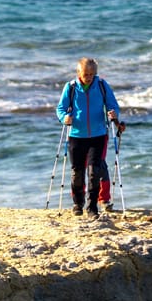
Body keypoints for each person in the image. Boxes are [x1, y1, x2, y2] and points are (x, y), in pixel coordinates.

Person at [56, 57, 124, 217]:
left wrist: (114, 113)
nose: (88, 77)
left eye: (92, 74)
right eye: (86, 74)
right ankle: (77, 204)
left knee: (94, 171)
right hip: (76, 135)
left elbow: (112, 104)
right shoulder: (70, 87)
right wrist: (64, 117)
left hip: (98, 135)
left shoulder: (101, 85)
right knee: (77, 171)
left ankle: (92, 206)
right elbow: (61, 108)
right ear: (78, 72)